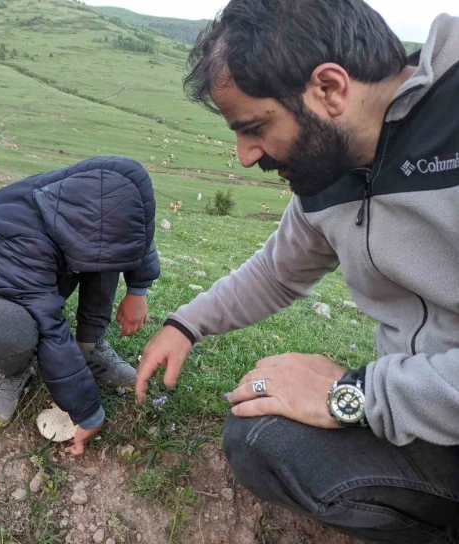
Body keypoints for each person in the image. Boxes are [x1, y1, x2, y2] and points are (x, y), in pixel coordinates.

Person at [135, 1, 459, 541]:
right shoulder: (329, 167)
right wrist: (186, 324)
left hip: (414, 397)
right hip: (427, 411)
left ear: (329, 89)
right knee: (260, 436)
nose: (244, 155)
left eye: (256, 126)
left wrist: (353, 394)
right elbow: (278, 272)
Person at [0, 156, 159, 455]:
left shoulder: (86, 198)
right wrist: (87, 413)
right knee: (11, 327)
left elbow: (134, 231)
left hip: (29, 283)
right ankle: (8, 369)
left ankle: (89, 348)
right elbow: (49, 327)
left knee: (106, 253)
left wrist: (137, 289)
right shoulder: (18, 232)